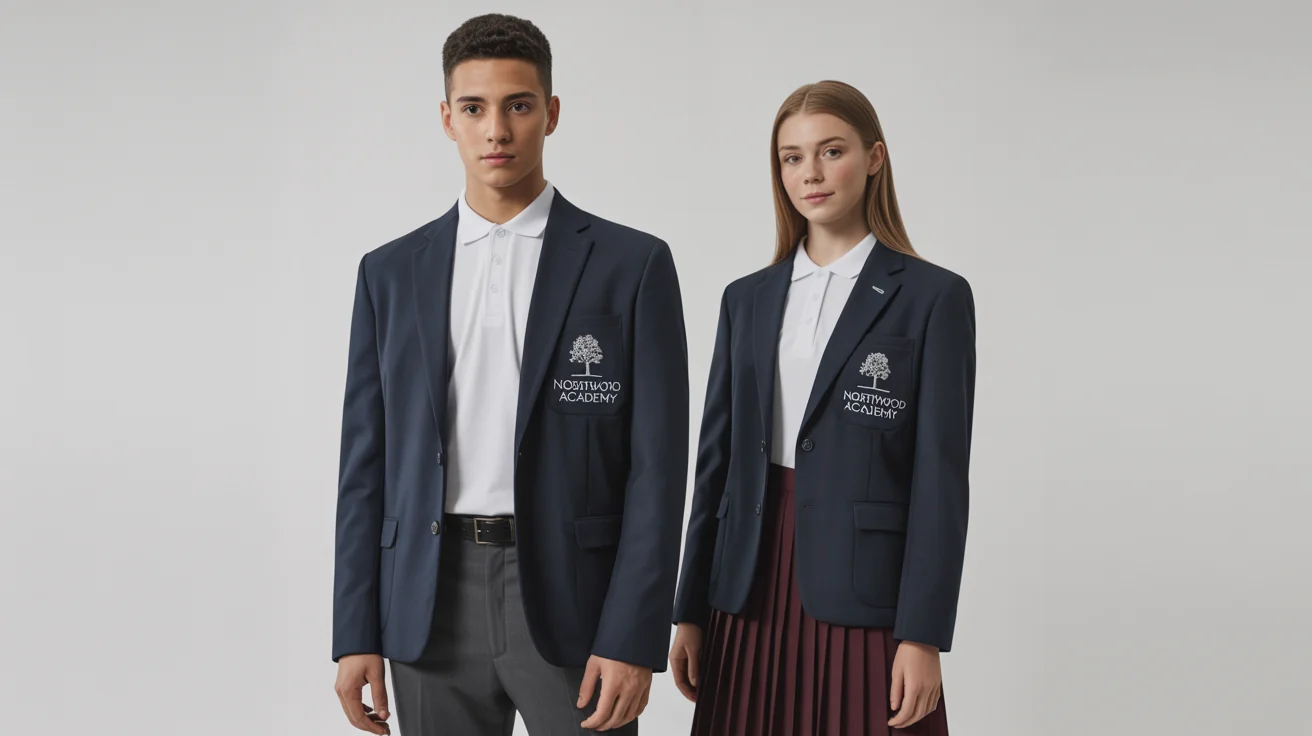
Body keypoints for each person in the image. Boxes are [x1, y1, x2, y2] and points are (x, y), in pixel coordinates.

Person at [331, 14, 689, 736]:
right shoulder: (390, 273)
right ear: (447, 119)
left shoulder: (632, 266)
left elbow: (657, 469)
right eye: (474, 108)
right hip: (428, 598)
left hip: (574, 595)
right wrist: (354, 630)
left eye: (518, 105)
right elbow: (364, 465)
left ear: (551, 113)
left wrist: (633, 634)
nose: (496, 130)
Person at [669, 80, 975, 735]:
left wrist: (923, 634)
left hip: (867, 592)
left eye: (831, 151)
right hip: (747, 582)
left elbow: (940, 482)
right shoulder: (745, 299)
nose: (810, 173)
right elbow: (715, 464)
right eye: (792, 157)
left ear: (874, 158)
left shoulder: (933, 298)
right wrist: (688, 608)